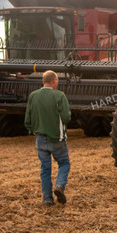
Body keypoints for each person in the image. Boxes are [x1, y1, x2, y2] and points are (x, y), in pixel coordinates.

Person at [24, 70, 72, 206]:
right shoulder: (59, 95)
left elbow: (28, 117)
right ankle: (59, 186)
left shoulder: (33, 96)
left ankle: (47, 199)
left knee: (45, 169)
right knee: (64, 163)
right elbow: (66, 117)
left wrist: (31, 129)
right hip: (56, 138)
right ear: (54, 81)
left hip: (40, 138)